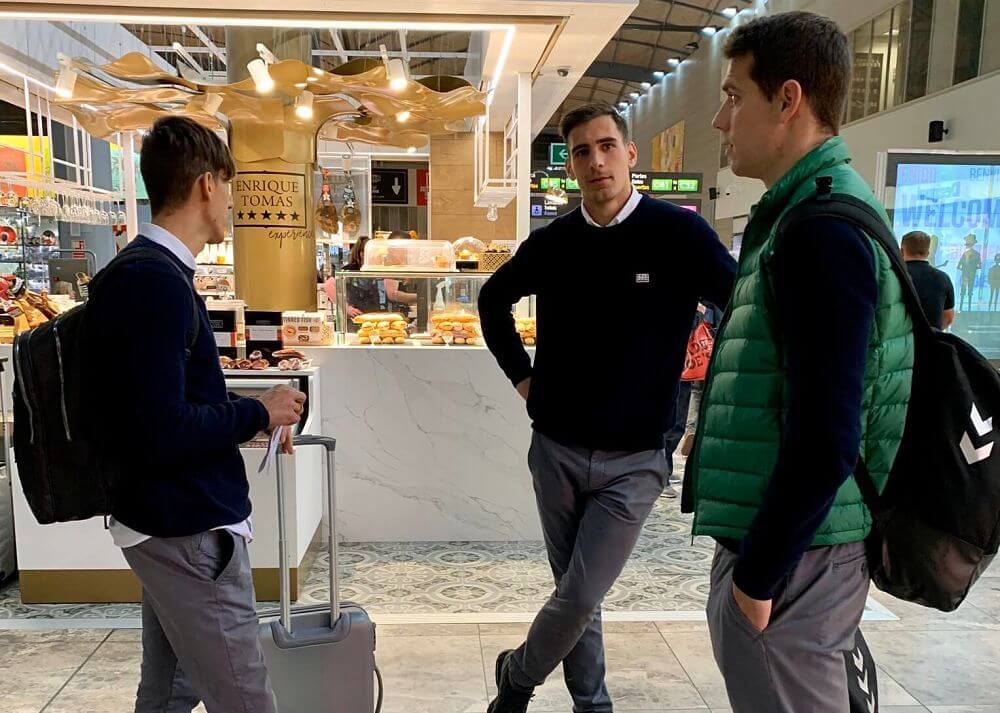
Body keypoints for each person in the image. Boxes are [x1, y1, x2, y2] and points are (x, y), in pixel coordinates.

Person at [685, 12, 914, 712]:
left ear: (788, 100)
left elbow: (827, 436)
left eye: (733, 97)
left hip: (798, 560)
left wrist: (757, 579)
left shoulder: (820, 232)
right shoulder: (802, 217)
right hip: (799, 551)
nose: (722, 121)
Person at [479, 102, 736, 713]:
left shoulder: (680, 235)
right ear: (569, 165)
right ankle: (591, 703)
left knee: (580, 591)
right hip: (557, 450)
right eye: (580, 152)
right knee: (575, 593)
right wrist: (524, 379)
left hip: (638, 457)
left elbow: (742, 309)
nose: (595, 162)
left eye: (606, 146)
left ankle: (515, 681)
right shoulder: (555, 244)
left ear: (630, 153)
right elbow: (493, 302)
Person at [84, 116, 307, 713]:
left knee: (169, 691)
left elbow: (164, 407)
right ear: (207, 184)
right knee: (245, 696)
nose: (233, 201)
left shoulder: (144, 274)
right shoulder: (153, 283)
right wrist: (255, 413)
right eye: (230, 186)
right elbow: (158, 429)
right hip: (187, 528)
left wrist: (251, 413)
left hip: (164, 521)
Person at [901, 230, 955, 329]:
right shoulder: (943, 278)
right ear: (927, 253)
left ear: (901, 251)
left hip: (897, 342)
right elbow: (948, 318)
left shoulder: (894, 274)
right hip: (931, 341)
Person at [958, 234, 981, 312]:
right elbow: (979, 266)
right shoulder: (966, 254)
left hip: (968, 274)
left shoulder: (975, 254)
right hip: (968, 275)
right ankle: (964, 307)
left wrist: (966, 269)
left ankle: (966, 308)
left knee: (967, 291)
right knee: (965, 291)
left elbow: (959, 266)